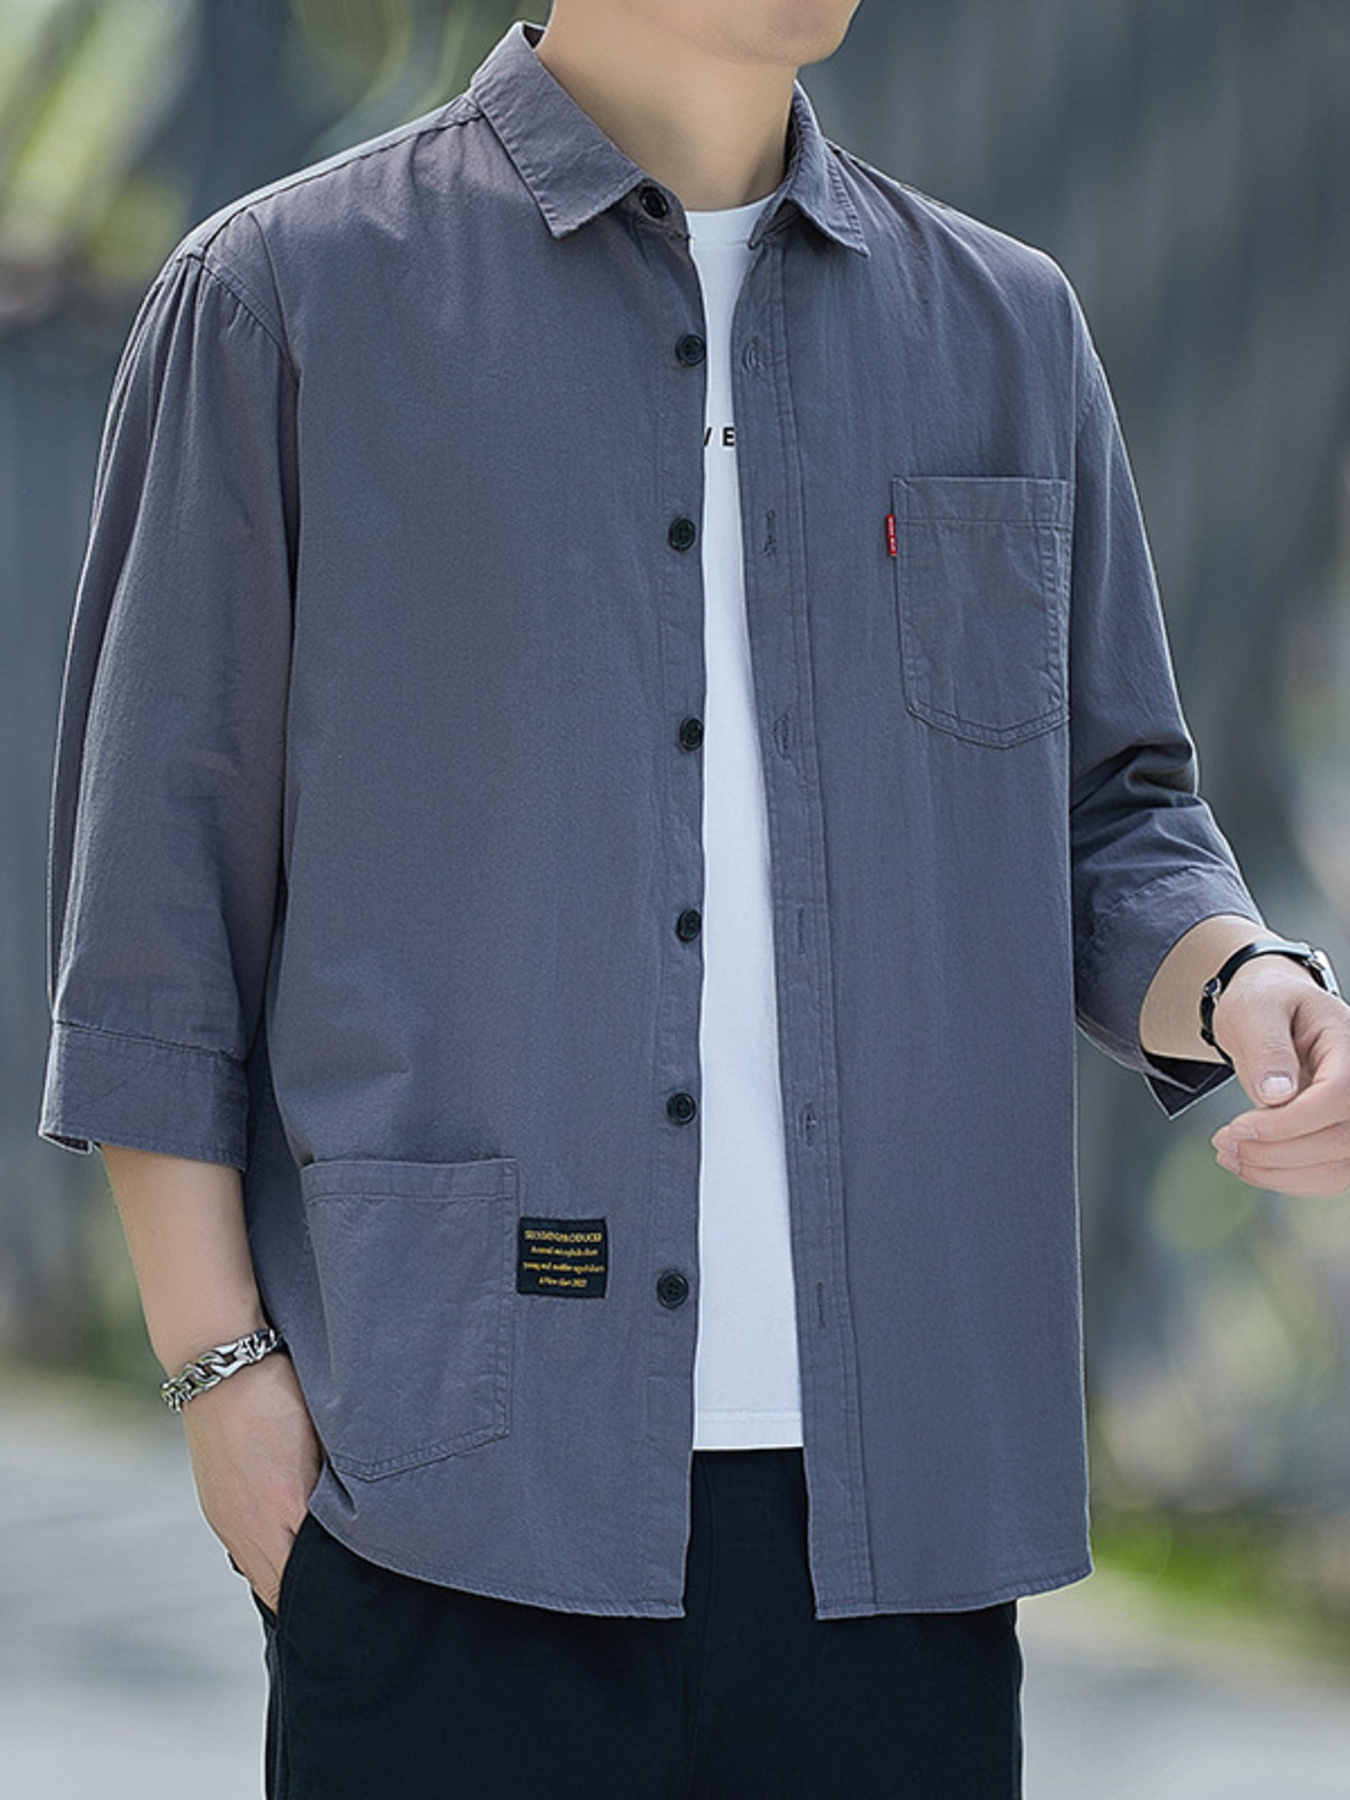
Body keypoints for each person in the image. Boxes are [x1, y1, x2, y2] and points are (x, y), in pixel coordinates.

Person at [37, 4, 1350, 1795]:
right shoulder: (285, 297)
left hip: (897, 1505)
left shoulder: (1002, 325)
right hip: (445, 1479)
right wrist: (221, 1380)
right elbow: (156, 892)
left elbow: (1110, 817)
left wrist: (1239, 981)